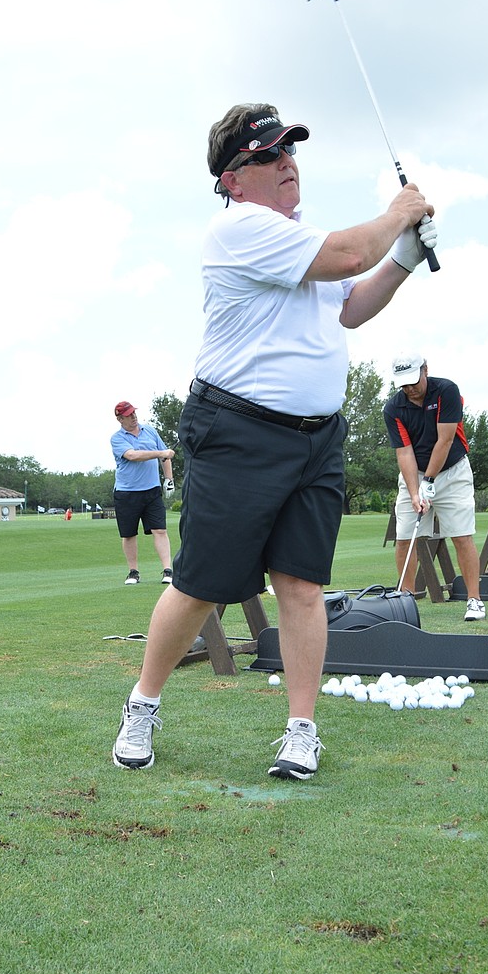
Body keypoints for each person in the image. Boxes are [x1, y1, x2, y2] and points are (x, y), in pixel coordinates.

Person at [111, 102, 436, 780]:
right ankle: (142, 702)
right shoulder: (237, 231)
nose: (287, 162)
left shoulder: (299, 238)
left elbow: (348, 304)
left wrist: (403, 257)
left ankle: (301, 729)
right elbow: (350, 252)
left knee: (303, 586)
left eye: (290, 150)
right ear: (233, 178)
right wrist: (399, 213)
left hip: (316, 439)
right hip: (238, 431)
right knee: (202, 583)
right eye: (267, 155)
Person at [383, 354, 485, 621]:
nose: (410, 389)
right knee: (404, 537)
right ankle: (404, 602)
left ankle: (474, 600)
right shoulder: (393, 408)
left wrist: (429, 481)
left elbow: (446, 439)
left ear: (425, 370)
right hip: (413, 474)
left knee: (461, 535)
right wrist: (415, 490)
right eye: (403, 384)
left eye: (414, 381)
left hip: (452, 471)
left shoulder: (447, 391)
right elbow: (404, 453)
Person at [111, 400, 175, 586]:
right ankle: (133, 572)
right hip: (126, 492)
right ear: (120, 418)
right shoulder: (117, 438)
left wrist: (168, 479)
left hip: (152, 490)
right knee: (129, 534)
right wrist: (160, 453)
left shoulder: (150, 431)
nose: (133, 417)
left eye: (134, 413)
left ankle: (167, 570)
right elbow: (133, 456)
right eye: (129, 415)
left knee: (160, 530)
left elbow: (165, 457)